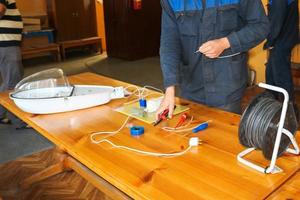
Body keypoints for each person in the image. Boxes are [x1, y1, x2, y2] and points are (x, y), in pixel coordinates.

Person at [156, 0, 270, 118]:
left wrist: (225, 43)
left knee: (223, 132)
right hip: (191, 84)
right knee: (190, 132)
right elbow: (169, 42)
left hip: (227, 84)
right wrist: (170, 89)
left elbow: (261, 26)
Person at [264, 0, 299, 102]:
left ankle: (289, 112)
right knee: (271, 77)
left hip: (280, 41)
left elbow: (277, 21)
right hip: (284, 39)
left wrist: (270, 41)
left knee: (281, 79)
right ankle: (272, 108)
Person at [0, 0, 24, 126]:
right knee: (13, 83)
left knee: (8, 82)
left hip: (6, 44)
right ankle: (18, 120)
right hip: (6, 45)